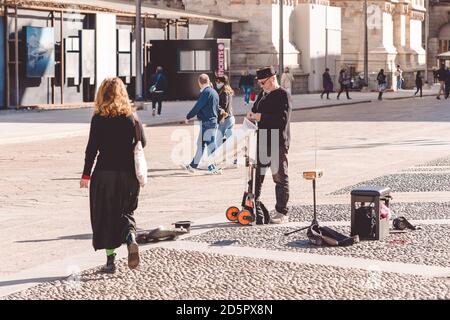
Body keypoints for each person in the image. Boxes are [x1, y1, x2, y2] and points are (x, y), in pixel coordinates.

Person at [80, 77, 146, 274]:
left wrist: (85, 175)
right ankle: (130, 239)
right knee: (126, 211)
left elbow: (91, 149)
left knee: (106, 216)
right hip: (128, 175)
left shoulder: (98, 118)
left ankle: (110, 262)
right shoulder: (131, 118)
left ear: (102, 94)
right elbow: (143, 142)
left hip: (104, 175)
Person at [247, 66, 292, 225]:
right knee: (257, 175)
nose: (260, 86)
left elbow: (281, 121)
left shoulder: (283, 95)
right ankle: (254, 205)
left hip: (277, 141)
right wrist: (252, 115)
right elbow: (255, 109)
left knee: (279, 177)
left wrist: (260, 116)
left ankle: (282, 211)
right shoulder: (263, 94)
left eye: (263, 82)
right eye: (259, 83)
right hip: (262, 138)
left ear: (272, 79)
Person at [183, 74, 221, 174]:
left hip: (207, 122)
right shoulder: (214, 92)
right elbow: (217, 108)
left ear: (199, 83)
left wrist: (188, 116)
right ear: (208, 81)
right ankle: (193, 166)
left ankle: (216, 166)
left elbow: (197, 106)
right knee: (201, 144)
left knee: (210, 145)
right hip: (212, 121)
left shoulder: (206, 92)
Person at [216, 75, 235, 148]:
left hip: (225, 118)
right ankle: (233, 157)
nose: (217, 83)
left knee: (218, 139)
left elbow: (224, 106)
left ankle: (219, 157)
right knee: (230, 140)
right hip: (231, 118)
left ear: (223, 82)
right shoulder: (228, 91)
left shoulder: (224, 92)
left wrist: (222, 118)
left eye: (218, 81)